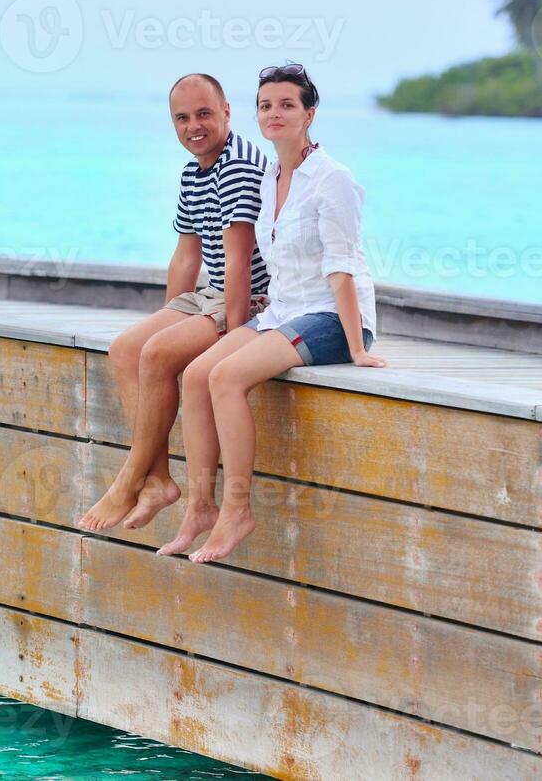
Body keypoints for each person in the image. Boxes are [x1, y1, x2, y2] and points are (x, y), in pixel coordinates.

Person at [158, 63, 387, 563]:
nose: (274, 113)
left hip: (330, 318)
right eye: (266, 105)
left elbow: (342, 267)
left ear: (310, 114)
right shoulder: (271, 177)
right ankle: (200, 507)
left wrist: (355, 346)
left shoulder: (333, 180)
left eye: (287, 104)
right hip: (282, 311)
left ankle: (236, 510)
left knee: (227, 377)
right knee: (197, 374)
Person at [77, 73, 271, 532]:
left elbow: (240, 261)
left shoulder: (239, 165)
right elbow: (187, 256)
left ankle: (128, 479)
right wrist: (170, 325)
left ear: (226, 111)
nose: (193, 126)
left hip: (254, 298)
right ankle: (159, 479)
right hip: (210, 293)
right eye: (182, 118)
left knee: (159, 353)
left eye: (204, 113)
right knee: (128, 348)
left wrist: (235, 335)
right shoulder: (193, 172)